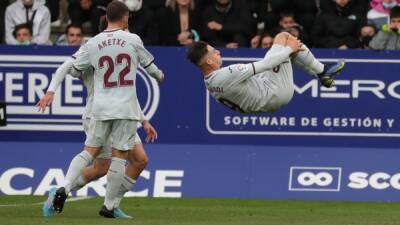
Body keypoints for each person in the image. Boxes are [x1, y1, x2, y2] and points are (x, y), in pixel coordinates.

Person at [45, 1, 164, 218]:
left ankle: (70, 189)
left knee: (135, 159)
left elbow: (70, 67)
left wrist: (144, 120)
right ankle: (103, 204)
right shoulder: (130, 41)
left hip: (106, 108)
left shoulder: (93, 45)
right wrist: (159, 76)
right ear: (125, 19)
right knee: (113, 160)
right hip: (113, 110)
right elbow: (150, 74)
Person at [186, 32, 345, 114]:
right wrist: (291, 48)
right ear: (209, 61)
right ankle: (322, 71)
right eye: (214, 52)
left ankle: (321, 73)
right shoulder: (226, 74)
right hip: (274, 92)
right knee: (284, 38)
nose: (218, 52)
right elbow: (266, 64)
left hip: (264, 96)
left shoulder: (209, 82)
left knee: (282, 49)